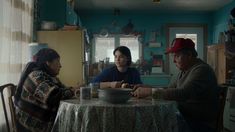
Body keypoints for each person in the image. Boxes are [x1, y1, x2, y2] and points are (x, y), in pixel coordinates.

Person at [133, 38, 220, 132]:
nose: (174, 60)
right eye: (173, 56)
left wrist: (150, 92)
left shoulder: (202, 70)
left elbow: (183, 93)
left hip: (199, 123)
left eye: (177, 56)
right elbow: (169, 89)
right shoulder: (184, 70)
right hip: (186, 116)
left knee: (155, 123)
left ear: (189, 55)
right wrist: (148, 87)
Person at [14, 48, 79, 132]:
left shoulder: (50, 77)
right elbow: (53, 97)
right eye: (58, 61)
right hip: (30, 127)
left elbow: (62, 89)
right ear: (48, 62)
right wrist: (73, 90)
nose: (60, 65)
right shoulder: (36, 76)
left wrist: (74, 89)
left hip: (43, 122)